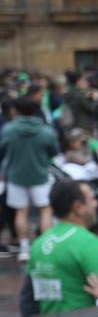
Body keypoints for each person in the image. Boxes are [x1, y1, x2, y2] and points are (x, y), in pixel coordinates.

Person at [19, 179, 98, 317]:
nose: (96, 204)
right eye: (92, 199)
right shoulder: (90, 243)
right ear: (78, 207)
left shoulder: (40, 243)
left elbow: (28, 299)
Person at [0, 97, 59, 261]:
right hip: (40, 175)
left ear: (17, 110)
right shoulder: (45, 131)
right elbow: (54, 151)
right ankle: (47, 248)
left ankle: (24, 249)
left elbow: (2, 150)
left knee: (21, 212)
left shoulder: (9, 130)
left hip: (15, 176)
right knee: (45, 210)